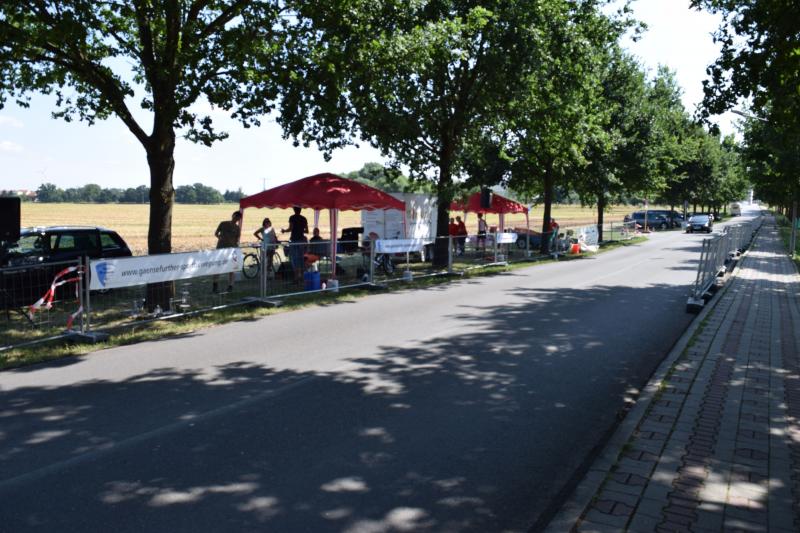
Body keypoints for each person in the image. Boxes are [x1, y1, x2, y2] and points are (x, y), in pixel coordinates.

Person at [213, 211, 242, 293]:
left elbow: (237, 240)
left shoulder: (237, 228)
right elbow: (216, 233)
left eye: (238, 218)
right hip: (220, 249)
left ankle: (230, 286)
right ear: (233, 216)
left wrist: (236, 250)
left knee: (232, 268)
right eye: (236, 217)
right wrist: (220, 238)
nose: (236, 219)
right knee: (218, 267)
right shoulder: (223, 223)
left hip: (232, 250)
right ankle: (215, 285)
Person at [282, 206, 308, 283]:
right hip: (302, 240)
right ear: (300, 210)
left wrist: (284, 231)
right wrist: (301, 230)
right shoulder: (304, 218)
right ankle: (302, 277)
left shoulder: (292, 218)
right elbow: (307, 231)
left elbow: (290, 228)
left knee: (294, 259)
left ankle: (296, 278)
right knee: (301, 259)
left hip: (294, 241)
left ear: (294, 210)